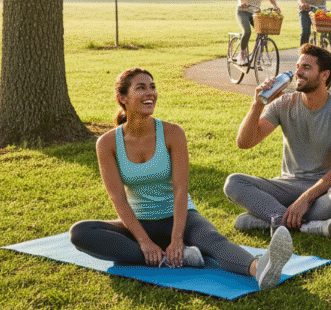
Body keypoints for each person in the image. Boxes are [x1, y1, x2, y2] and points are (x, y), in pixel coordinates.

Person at [69, 68, 293, 291]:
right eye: (141, 88)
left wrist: (176, 238)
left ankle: (259, 268)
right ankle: (177, 257)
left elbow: (180, 189)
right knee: (80, 232)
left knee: (212, 241)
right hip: (140, 223)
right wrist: (145, 243)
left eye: (153, 87)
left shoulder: (172, 133)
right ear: (122, 99)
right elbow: (118, 198)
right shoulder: (107, 144)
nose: (151, 93)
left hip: (181, 217)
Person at [224, 43, 331, 238]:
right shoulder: (283, 104)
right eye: (297, 67)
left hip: (321, 189)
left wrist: (305, 199)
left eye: (306, 68)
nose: (298, 72)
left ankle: (264, 220)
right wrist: (257, 104)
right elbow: (244, 142)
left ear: (324, 75)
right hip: (286, 186)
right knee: (234, 182)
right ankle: (302, 224)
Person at [237, 0, 281, 65]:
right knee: (247, 31)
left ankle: (257, 56)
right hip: (243, 11)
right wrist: (241, 2)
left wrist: (275, 6)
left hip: (255, 13)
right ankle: (242, 54)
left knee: (263, 32)